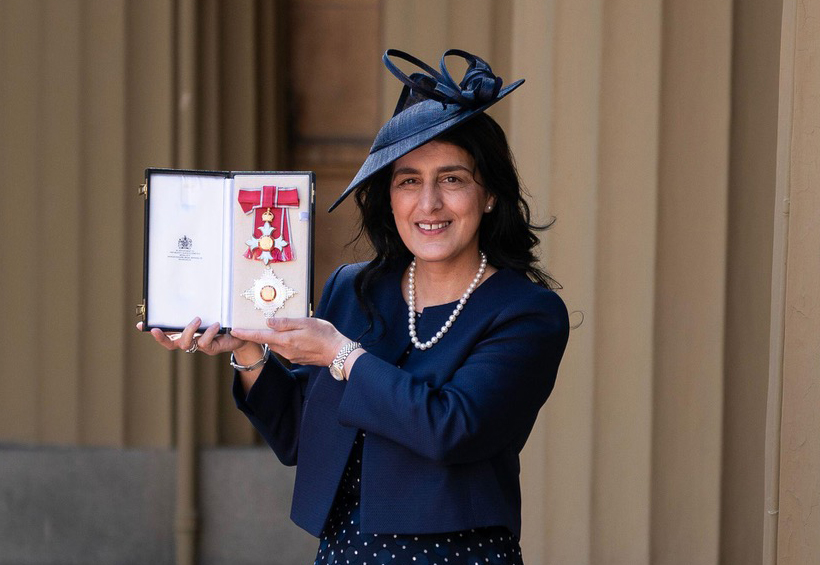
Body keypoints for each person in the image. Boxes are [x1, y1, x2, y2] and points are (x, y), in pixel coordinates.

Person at [143, 49, 569, 565]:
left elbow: (452, 429)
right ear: (389, 197)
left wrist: (341, 355)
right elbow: (303, 438)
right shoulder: (354, 288)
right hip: (347, 553)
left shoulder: (526, 312)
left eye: (452, 179)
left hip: (460, 555)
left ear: (490, 195)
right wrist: (251, 351)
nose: (429, 203)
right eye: (408, 180)